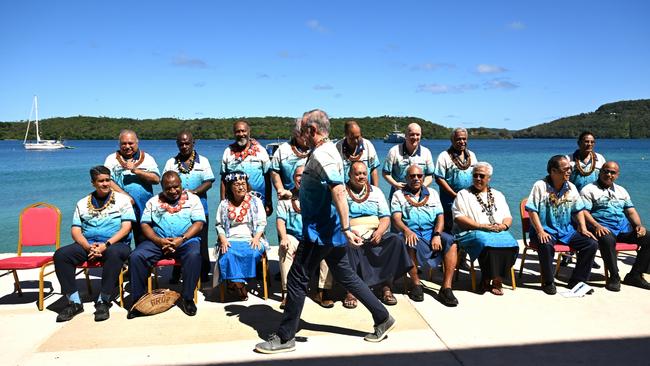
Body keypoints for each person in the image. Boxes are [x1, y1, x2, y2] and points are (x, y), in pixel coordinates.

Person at [255, 109, 395, 354]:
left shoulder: (324, 153)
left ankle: (286, 337)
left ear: (312, 130)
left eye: (302, 130)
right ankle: (382, 317)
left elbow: (338, 190)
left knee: (298, 278)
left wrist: (346, 226)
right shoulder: (323, 152)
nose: (300, 135)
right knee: (346, 274)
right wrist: (295, 193)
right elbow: (319, 187)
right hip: (325, 227)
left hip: (320, 230)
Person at [53, 166, 135, 322]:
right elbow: (76, 230)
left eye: (108, 180)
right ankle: (74, 302)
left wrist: (106, 245)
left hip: (115, 244)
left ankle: (103, 300)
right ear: (93, 183)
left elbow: (126, 228)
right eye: (101, 181)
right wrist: (87, 247)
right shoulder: (82, 203)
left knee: (114, 253)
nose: (105, 184)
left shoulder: (123, 200)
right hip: (88, 244)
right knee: (61, 255)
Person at [128, 171, 205, 317]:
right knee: (136, 256)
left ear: (181, 184)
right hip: (159, 241)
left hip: (185, 241)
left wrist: (181, 239)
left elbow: (199, 224)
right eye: (168, 188)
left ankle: (187, 298)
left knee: (194, 255)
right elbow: (145, 225)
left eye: (176, 186)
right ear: (162, 188)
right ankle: (138, 301)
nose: (173, 190)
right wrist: (158, 240)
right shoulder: (153, 201)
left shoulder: (193, 199)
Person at [525, 155, 598, 295]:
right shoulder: (540, 186)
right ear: (553, 171)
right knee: (545, 244)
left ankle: (577, 281)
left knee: (591, 243)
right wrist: (540, 231)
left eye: (570, 169)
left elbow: (578, 210)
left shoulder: (571, 187)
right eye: (565, 169)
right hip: (545, 230)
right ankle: (548, 281)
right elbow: (532, 210)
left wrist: (582, 228)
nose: (569, 172)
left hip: (566, 231)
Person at [344, 161, 412, 308]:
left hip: (375, 229)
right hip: (352, 230)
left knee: (396, 240)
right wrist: (349, 231)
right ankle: (351, 289)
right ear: (349, 175)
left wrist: (380, 232)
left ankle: (386, 286)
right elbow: (337, 216)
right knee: (346, 244)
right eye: (357, 173)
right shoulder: (342, 191)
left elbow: (385, 217)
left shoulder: (376, 191)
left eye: (364, 173)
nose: (361, 176)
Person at [391, 164, 459, 306]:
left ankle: (446, 288)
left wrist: (437, 234)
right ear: (406, 178)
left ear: (423, 177)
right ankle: (416, 284)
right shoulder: (398, 194)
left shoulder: (432, 193)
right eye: (412, 176)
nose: (416, 178)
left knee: (451, 242)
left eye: (419, 176)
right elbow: (396, 218)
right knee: (410, 241)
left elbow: (440, 216)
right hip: (411, 231)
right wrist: (406, 231)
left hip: (431, 231)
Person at [581, 161, 650, 291]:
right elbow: (584, 212)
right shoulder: (589, 189)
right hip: (602, 227)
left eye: (612, 172)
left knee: (648, 237)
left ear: (617, 175)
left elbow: (630, 211)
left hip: (623, 229)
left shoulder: (621, 190)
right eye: (606, 171)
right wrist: (596, 226)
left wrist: (639, 225)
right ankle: (614, 276)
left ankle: (635, 275)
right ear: (600, 172)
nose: (609, 174)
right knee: (607, 238)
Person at [452, 162, 519, 295]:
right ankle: (487, 278)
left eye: (482, 176)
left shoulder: (498, 194)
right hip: (472, 231)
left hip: (497, 230)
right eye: (475, 175)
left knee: (512, 243)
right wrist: (480, 226)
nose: (478, 178)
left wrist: (503, 226)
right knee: (485, 242)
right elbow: (458, 218)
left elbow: (508, 216)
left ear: (489, 178)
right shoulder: (463, 194)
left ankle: (498, 278)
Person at [276, 165, 334, 309]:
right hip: (295, 236)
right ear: (293, 178)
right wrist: (283, 237)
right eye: (298, 176)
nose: (301, 179)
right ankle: (287, 292)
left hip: (315, 235)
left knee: (326, 247)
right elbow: (280, 221)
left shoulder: (317, 196)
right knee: (286, 247)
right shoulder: (285, 198)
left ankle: (322, 291)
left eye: (304, 175)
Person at [163, 130, 215, 283]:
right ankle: (176, 272)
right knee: (178, 240)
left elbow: (208, 182)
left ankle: (204, 272)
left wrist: (194, 192)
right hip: (176, 211)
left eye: (187, 143)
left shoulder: (203, 161)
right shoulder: (171, 163)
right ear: (177, 144)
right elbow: (165, 184)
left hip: (200, 210)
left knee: (202, 242)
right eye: (181, 144)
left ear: (194, 143)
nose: (184, 146)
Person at [214, 172, 269, 301]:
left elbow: (262, 222)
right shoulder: (224, 204)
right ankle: (239, 285)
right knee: (227, 254)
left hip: (251, 237)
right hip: (230, 238)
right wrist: (223, 239)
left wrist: (256, 238)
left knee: (253, 253)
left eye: (243, 184)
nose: (240, 187)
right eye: (237, 184)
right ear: (230, 187)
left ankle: (235, 283)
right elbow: (219, 225)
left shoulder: (256, 201)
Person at [104, 129, 160, 243]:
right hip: (119, 208)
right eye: (124, 143)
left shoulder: (147, 158)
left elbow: (156, 179)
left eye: (130, 143)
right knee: (121, 240)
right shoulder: (111, 159)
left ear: (137, 142)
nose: (127, 146)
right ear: (119, 144)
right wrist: (125, 196)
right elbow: (107, 181)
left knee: (144, 241)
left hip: (143, 208)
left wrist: (136, 170)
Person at [220, 120, 272, 216]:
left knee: (259, 229)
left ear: (249, 132)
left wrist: (269, 202)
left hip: (258, 201)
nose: (241, 134)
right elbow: (223, 179)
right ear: (234, 133)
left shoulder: (261, 151)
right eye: (238, 131)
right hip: (233, 204)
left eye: (243, 131)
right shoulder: (228, 152)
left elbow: (267, 177)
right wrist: (222, 202)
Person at [434, 128, 478, 233]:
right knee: (450, 229)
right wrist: (454, 195)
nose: (462, 142)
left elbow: (476, 175)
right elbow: (439, 178)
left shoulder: (471, 155)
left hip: (468, 199)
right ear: (452, 140)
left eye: (464, 139)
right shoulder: (444, 156)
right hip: (449, 200)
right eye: (459, 139)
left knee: (468, 227)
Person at [382, 123, 435, 201]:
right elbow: (385, 173)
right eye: (412, 134)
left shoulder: (426, 152)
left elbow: (430, 175)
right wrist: (395, 184)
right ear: (406, 135)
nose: (415, 137)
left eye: (417, 134)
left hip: (419, 196)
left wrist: (422, 186)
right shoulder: (394, 151)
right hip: (398, 195)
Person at [270, 118, 310, 200]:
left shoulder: (317, 148)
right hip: (288, 199)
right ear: (296, 134)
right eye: (302, 134)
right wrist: (280, 189)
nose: (305, 136)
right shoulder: (282, 150)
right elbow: (274, 170)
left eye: (307, 133)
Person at [335, 120, 380, 186]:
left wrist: (376, 191)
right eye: (352, 138)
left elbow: (373, 169)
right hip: (345, 190)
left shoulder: (368, 145)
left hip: (365, 190)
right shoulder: (337, 147)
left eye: (358, 137)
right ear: (346, 135)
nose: (356, 141)